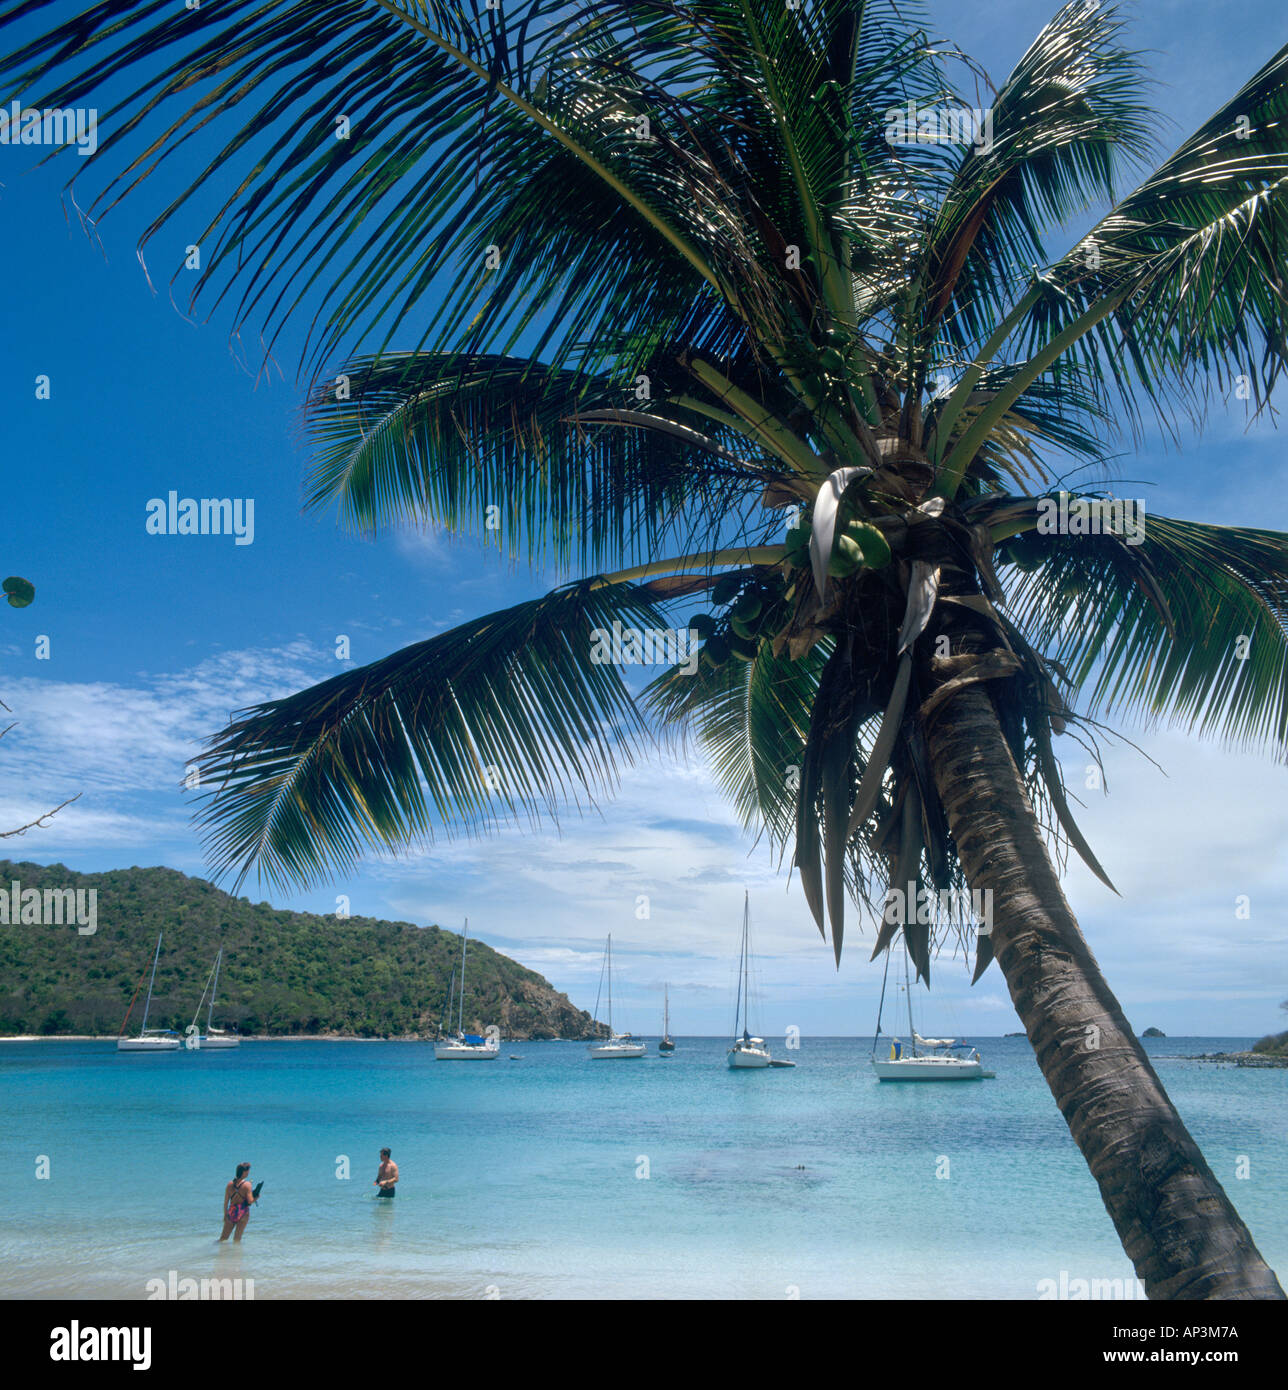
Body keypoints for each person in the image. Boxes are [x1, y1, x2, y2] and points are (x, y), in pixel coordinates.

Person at [220, 1161, 256, 1242]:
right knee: (237, 1239)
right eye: (247, 1170)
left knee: (223, 1238)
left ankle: (214, 1251)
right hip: (243, 1213)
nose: (248, 1172)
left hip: (231, 1212)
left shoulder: (230, 1184)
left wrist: (225, 1215)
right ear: (244, 1172)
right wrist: (256, 1197)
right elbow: (250, 1202)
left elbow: (226, 1202)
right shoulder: (247, 1185)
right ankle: (236, 1254)